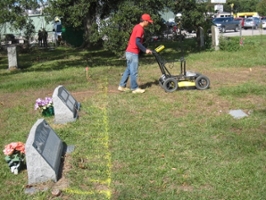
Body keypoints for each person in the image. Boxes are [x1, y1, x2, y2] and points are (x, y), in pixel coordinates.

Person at [118, 13, 153, 94]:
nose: (149, 24)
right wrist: (145, 50)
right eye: (148, 22)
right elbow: (137, 42)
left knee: (129, 70)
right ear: (145, 21)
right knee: (133, 71)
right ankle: (134, 88)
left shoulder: (137, 26)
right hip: (132, 52)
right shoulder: (140, 29)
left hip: (129, 51)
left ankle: (121, 86)